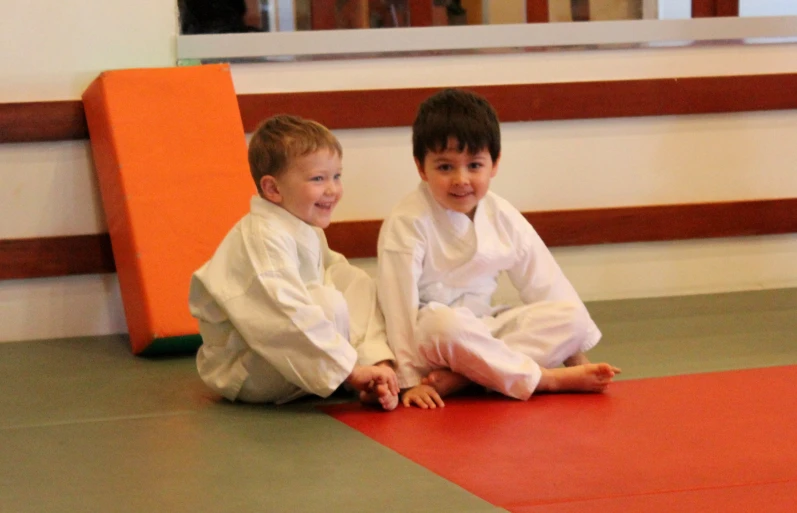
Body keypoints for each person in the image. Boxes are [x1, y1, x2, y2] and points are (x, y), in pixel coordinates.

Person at [377, 88, 620, 409]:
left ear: (495, 163)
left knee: (572, 315)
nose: (461, 179)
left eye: (474, 165)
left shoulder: (502, 214)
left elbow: (546, 284)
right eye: (445, 167)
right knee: (445, 325)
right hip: (433, 339)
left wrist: (574, 354)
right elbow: (398, 309)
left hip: (485, 328)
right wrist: (409, 380)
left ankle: (466, 378)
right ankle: (542, 380)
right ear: (421, 168)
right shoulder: (407, 221)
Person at [190, 114, 399, 410]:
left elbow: (336, 278)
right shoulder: (262, 236)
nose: (332, 189)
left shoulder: (300, 224)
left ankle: (375, 366)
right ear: (273, 189)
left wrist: (362, 361)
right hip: (247, 369)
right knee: (326, 302)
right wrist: (349, 371)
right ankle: (351, 373)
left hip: (293, 361)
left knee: (354, 280)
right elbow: (284, 314)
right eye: (318, 179)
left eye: (336, 176)